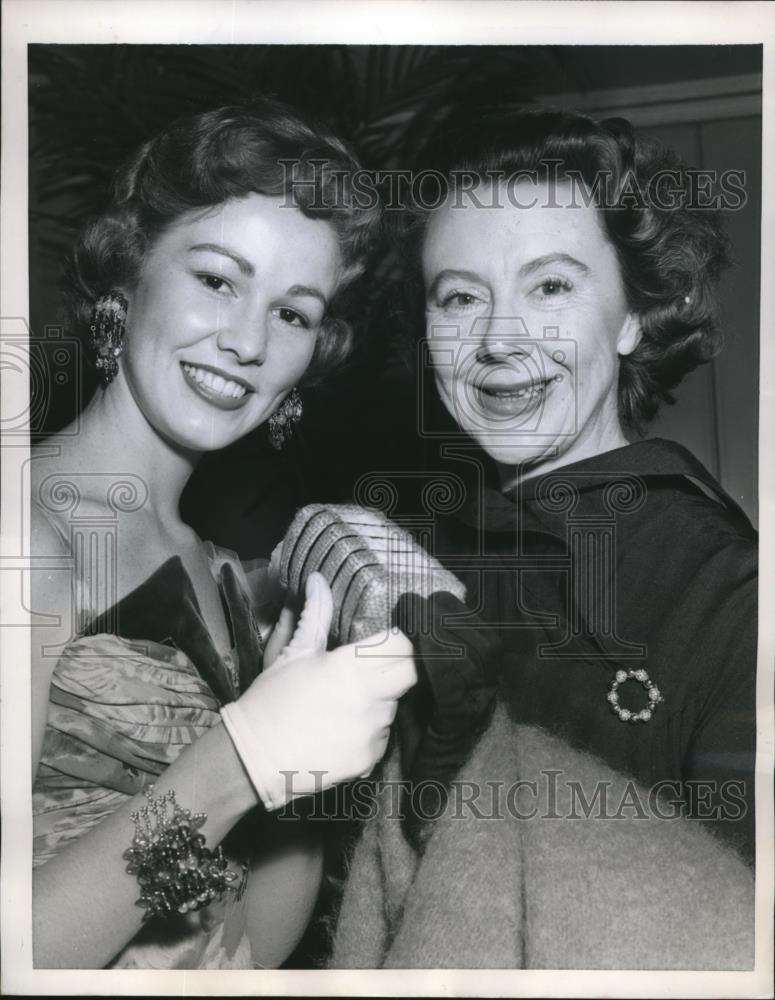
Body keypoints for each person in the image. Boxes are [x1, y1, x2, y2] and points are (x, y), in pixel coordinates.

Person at [329, 108, 757, 968]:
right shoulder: (400, 550)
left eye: (550, 286)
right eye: (459, 297)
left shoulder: (729, 594)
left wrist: (470, 738)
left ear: (634, 317)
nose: (497, 339)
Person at [30, 100, 417, 970]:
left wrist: (303, 773)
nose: (246, 339)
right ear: (126, 279)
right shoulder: (28, 531)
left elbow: (245, 942)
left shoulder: (226, 576)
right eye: (216, 279)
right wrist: (239, 759)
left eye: (292, 313)